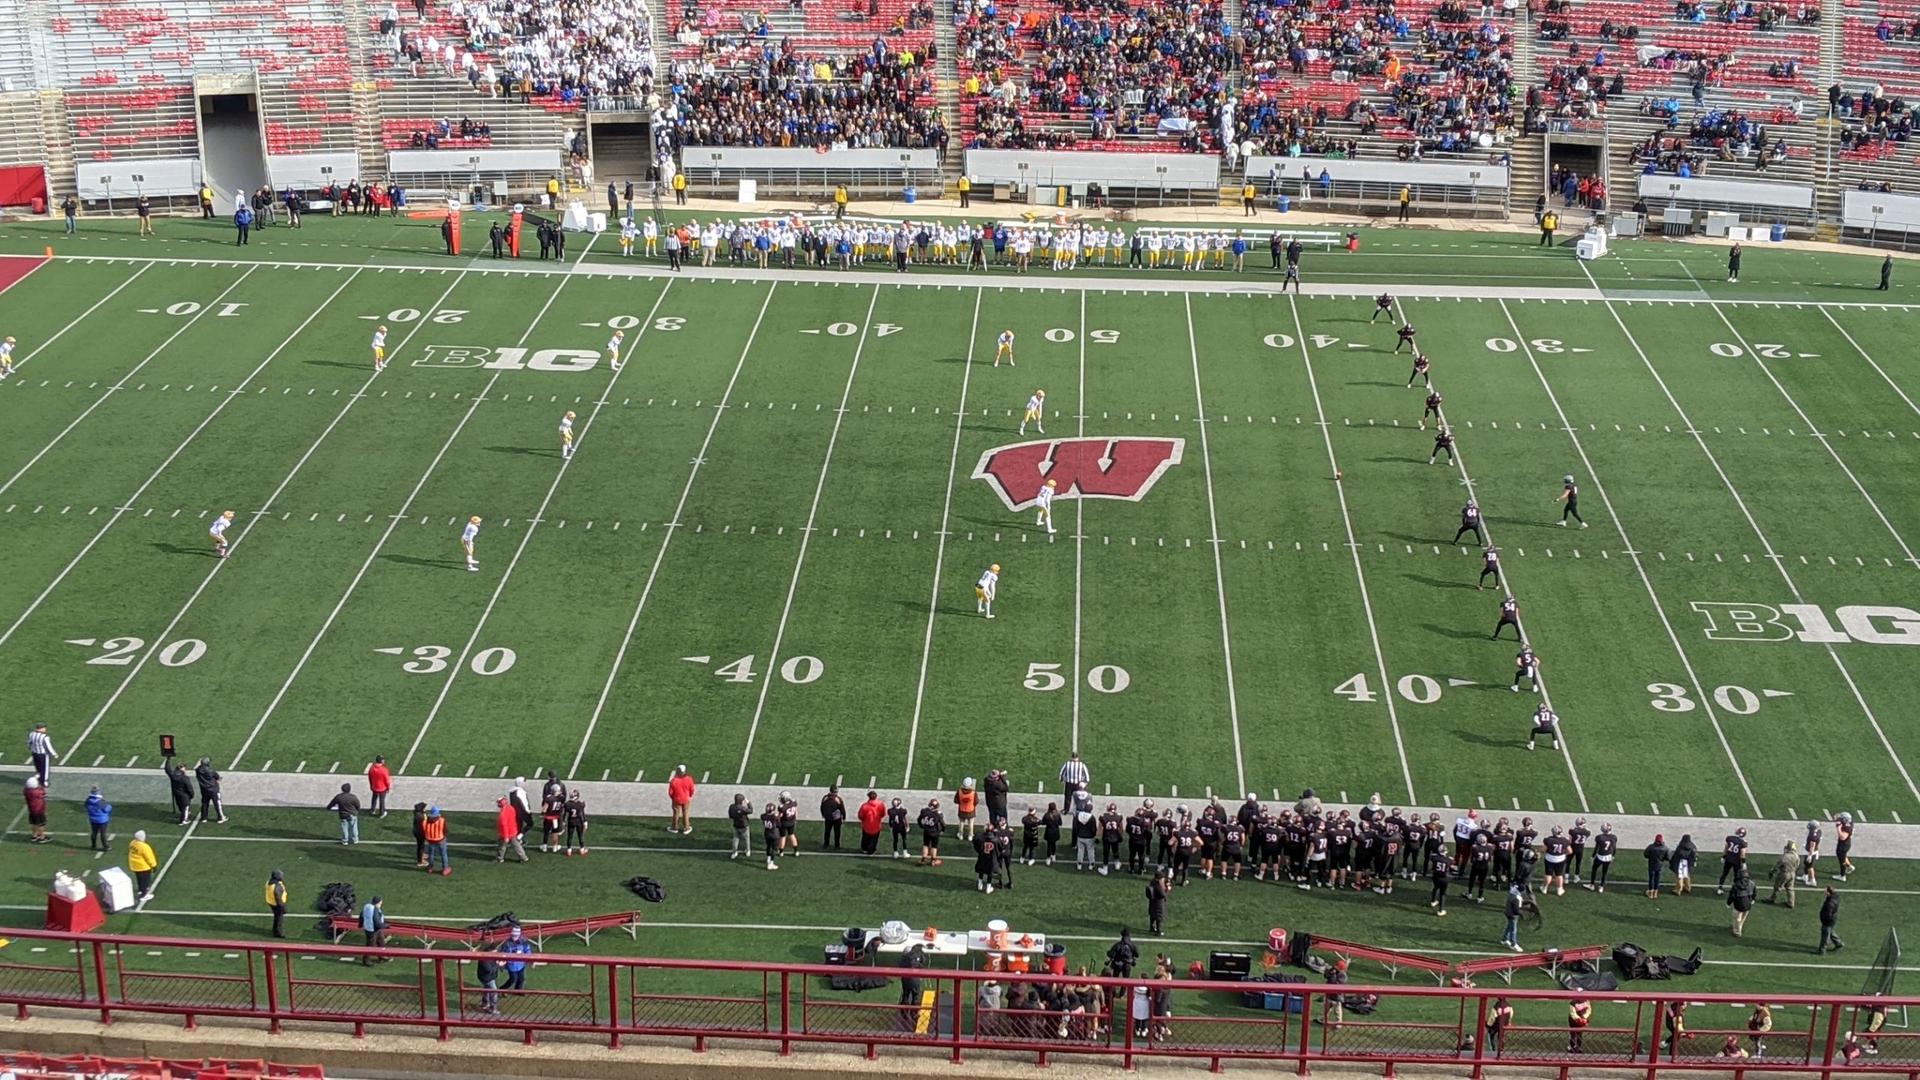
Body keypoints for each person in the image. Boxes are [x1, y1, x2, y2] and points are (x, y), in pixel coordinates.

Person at [494, 797, 527, 863]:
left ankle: (500, 858)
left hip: (505, 833)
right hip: (513, 830)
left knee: (502, 846)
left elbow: (504, 826)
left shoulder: (502, 815)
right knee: (516, 845)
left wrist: (506, 837)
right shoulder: (511, 808)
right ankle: (523, 857)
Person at [128, 830, 157, 902]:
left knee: (139, 879)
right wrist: (154, 865)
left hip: (134, 865)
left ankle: (141, 890)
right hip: (143, 866)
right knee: (145, 880)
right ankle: (144, 895)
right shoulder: (144, 846)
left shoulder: (132, 843)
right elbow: (149, 857)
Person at [196, 757, 226, 822]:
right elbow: (217, 777)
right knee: (217, 803)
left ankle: (204, 817)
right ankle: (221, 817)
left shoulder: (198, 770)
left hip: (204, 789)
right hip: (213, 789)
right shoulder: (210, 770)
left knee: (204, 803)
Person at [1717, 827, 1748, 892]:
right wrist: (1744, 862)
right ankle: (1735, 889)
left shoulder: (1730, 838)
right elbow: (1742, 853)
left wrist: (1723, 856)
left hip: (1728, 859)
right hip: (1736, 861)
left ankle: (1720, 888)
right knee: (1736, 875)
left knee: (1724, 873)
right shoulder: (1743, 843)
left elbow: (1726, 847)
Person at [1728, 867, 1756, 936]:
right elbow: (1754, 892)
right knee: (1743, 917)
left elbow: (1732, 895)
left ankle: (1737, 931)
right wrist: (1753, 899)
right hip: (1747, 904)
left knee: (1736, 918)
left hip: (1738, 904)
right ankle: (1740, 926)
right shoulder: (1751, 883)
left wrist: (1728, 903)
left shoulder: (1736, 884)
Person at [667, 764, 695, 834]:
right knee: (685, 813)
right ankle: (686, 828)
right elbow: (692, 789)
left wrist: (673, 798)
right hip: (686, 799)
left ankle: (674, 827)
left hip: (676, 799)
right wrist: (689, 796)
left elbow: (670, 792)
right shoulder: (689, 779)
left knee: (676, 813)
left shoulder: (674, 781)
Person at [476, 944, 503, 1015]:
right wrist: (498, 965)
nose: (496, 953)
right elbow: (489, 970)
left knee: (487, 989)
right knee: (494, 992)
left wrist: (498, 964)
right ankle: (493, 1009)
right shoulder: (484, 959)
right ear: (490, 951)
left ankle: (484, 1003)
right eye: (495, 951)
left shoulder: (490, 956)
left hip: (489, 977)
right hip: (486, 978)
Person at [918, 798, 945, 866]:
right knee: (934, 846)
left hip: (926, 831)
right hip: (935, 832)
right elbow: (942, 824)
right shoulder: (938, 814)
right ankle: (933, 861)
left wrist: (922, 826)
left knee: (925, 844)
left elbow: (919, 819)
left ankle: (923, 859)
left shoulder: (924, 811)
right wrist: (942, 830)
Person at [423, 805, 450, 875]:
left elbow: (424, 830)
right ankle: (445, 869)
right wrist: (444, 837)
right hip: (440, 839)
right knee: (443, 854)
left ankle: (430, 868)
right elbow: (446, 830)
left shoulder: (425, 821)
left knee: (431, 854)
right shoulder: (442, 820)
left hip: (430, 840)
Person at [166, 759, 194, 825]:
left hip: (176, 793)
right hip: (184, 795)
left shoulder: (173, 775)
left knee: (181, 807)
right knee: (185, 807)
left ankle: (183, 817)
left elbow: (167, 769)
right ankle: (183, 820)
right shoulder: (184, 778)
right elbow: (189, 787)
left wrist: (168, 761)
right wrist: (192, 794)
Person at [85, 785, 112, 852]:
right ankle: (105, 846)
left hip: (92, 819)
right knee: (103, 833)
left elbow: (85, 806)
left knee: (94, 832)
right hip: (102, 820)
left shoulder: (88, 800)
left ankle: (93, 845)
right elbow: (108, 809)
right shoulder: (100, 802)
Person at [857, 790, 886, 855]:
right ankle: (871, 851)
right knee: (874, 839)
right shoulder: (880, 804)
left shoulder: (865, 806)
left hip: (866, 825)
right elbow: (883, 814)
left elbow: (861, 816)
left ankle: (864, 849)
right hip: (876, 825)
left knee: (865, 838)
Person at [1816, 886, 1843, 953]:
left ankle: (1822, 950)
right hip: (1833, 919)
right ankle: (1838, 943)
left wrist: (1824, 920)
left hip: (1828, 921)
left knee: (1825, 935)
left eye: (1825, 891)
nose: (1824, 892)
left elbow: (1828, 914)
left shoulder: (1829, 903)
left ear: (1829, 892)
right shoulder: (1835, 897)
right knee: (1830, 932)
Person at [23, 776, 49, 843]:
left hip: (32, 810)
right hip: (39, 810)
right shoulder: (37, 792)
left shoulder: (26, 791)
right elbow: (43, 792)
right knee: (41, 824)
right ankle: (42, 837)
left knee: (34, 823)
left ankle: (34, 836)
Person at [1145, 867, 1171, 935]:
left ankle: (1152, 927)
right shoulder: (1158, 886)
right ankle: (1158, 931)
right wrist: (1168, 889)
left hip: (1153, 902)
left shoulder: (1153, 881)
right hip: (1158, 903)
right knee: (1158, 917)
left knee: (1152, 915)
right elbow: (1163, 895)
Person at [1644, 833, 1670, 897]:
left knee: (1651, 878)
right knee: (1657, 878)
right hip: (1659, 865)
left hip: (1651, 864)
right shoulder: (1665, 848)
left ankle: (1651, 892)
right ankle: (1656, 892)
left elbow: (1646, 854)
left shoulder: (1651, 847)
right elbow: (1668, 857)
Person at [265, 869, 289, 937]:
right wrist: (282, 906)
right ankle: (278, 933)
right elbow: (278, 897)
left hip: (271, 902)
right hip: (277, 904)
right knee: (279, 919)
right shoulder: (277, 886)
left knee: (276, 917)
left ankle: (275, 930)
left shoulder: (269, 882)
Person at [821, 785, 846, 850]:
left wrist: (823, 814)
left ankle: (826, 844)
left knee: (827, 831)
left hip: (828, 818)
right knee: (837, 832)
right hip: (836, 818)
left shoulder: (825, 798)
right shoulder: (838, 799)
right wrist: (844, 817)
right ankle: (837, 845)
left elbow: (822, 807)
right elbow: (842, 809)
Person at [1500, 884, 1524, 951]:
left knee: (1509, 927)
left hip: (1507, 912)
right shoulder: (1517, 898)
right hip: (1512, 915)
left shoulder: (1512, 892)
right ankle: (1513, 944)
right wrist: (1522, 913)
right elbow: (1516, 910)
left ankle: (1504, 939)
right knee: (1513, 929)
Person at [1834, 812, 1855, 881]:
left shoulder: (1847, 828)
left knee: (1842, 861)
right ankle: (1849, 866)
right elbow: (1837, 818)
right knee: (1843, 856)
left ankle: (1842, 876)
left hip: (1843, 845)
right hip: (1846, 844)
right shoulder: (1849, 823)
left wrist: (1838, 828)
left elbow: (1843, 837)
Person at [761, 801, 781, 871]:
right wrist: (778, 816)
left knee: (768, 846)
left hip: (767, 833)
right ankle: (771, 863)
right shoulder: (774, 817)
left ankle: (768, 858)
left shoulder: (763, 816)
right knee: (774, 849)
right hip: (774, 835)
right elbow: (779, 825)